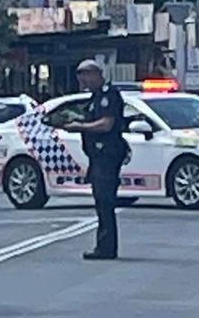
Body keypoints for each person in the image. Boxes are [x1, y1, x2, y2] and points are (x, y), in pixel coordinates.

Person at [63, 59, 127, 260]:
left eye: (85, 76)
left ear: (96, 74)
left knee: (105, 201)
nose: (83, 81)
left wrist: (80, 127)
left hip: (108, 154)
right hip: (98, 156)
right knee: (101, 202)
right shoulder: (95, 97)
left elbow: (106, 124)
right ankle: (104, 245)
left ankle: (106, 248)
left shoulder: (109, 95)